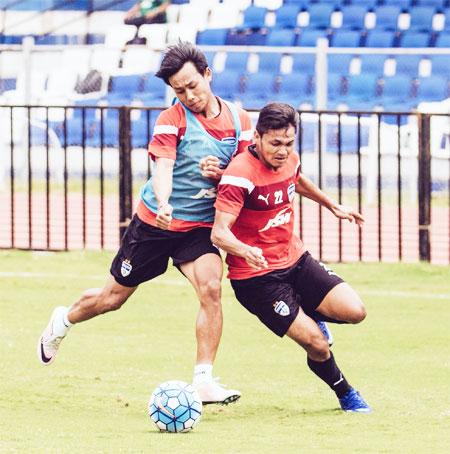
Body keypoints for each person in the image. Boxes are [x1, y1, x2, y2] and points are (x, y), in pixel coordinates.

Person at [37, 41, 253, 406]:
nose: (188, 95)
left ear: (208, 75)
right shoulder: (172, 119)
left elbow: (243, 170)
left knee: (212, 288)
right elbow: (163, 168)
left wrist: (223, 175)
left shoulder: (239, 119)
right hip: (155, 225)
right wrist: (165, 202)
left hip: (198, 229)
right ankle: (64, 320)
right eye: (179, 90)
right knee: (111, 299)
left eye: (193, 86)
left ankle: (203, 379)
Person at [211, 102, 372, 413]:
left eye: (289, 143)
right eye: (275, 143)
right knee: (316, 344)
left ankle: (309, 314)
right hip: (256, 279)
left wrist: (331, 204)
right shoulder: (239, 175)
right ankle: (346, 393)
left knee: (356, 311)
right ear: (256, 138)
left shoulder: (289, 158)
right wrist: (245, 250)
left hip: (296, 261)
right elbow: (218, 233)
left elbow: (295, 178)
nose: (282, 151)